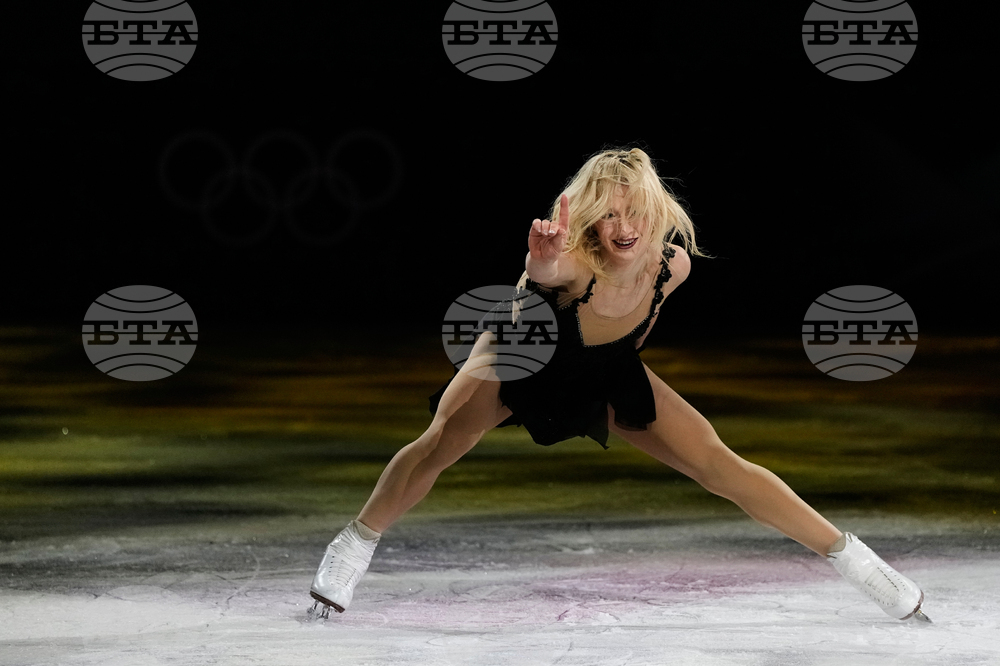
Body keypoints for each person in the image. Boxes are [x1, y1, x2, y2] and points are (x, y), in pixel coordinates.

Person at [307, 147, 930, 623]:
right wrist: (541, 258)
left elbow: (628, 335)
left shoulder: (674, 267)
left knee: (720, 464)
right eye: (608, 215)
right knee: (441, 442)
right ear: (590, 223)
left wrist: (609, 375)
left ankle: (861, 566)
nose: (623, 227)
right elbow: (545, 269)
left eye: (634, 212)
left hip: (601, 367)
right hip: (521, 357)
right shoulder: (573, 262)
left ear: (656, 212)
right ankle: (354, 543)